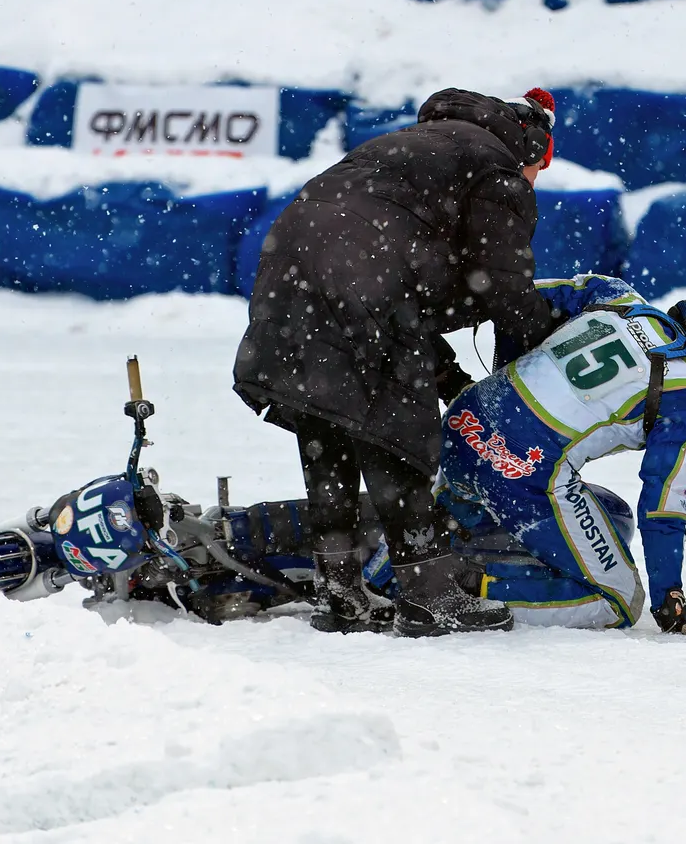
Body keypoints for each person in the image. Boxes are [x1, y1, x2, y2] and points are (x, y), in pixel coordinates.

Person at [233, 87, 563, 637]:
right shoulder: (499, 171)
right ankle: (428, 592)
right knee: (395, 431)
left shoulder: (416, 145)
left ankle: (339, 588)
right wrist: (546, 344)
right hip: (362, 276)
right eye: (540, 172)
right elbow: (501, 285)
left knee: (327, 420)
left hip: (288, 263)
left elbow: (404, 273)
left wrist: (448, 373)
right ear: (534, 154)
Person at [435, 273, 686, 633]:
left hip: (464, 423)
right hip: (521, 470)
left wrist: (502, 395)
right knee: (619, 599)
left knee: (615, 518)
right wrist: (670, 601)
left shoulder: (617, 295)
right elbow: (662, 509)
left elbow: (514, 300)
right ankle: (460, 589)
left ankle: (424, 552)